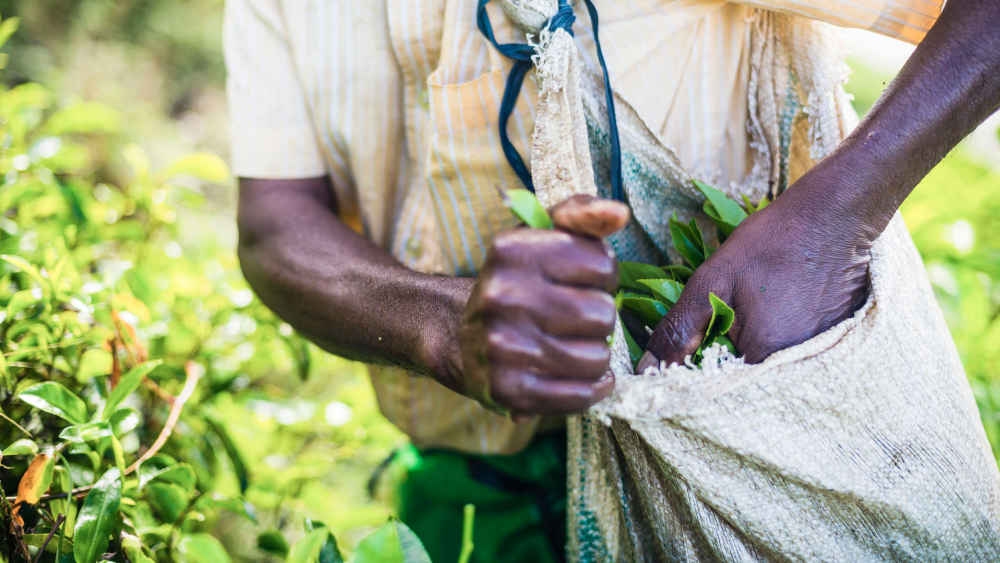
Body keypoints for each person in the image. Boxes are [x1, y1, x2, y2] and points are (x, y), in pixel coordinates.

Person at [225, 0, 999, 561]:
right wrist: (442, 326)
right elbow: (274, 224)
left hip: (751, 445)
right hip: (471, 475)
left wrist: (837, 217)